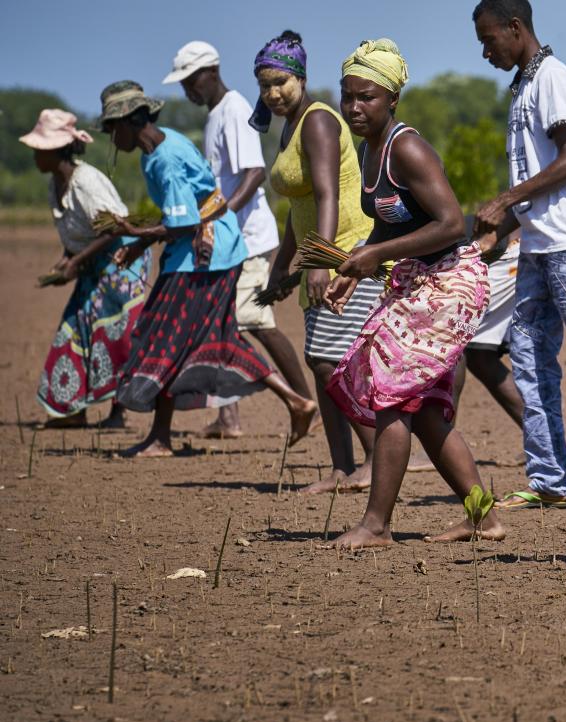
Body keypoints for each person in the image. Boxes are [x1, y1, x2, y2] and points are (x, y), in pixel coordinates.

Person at [324, 39, 501, 548]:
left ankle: (376, 525)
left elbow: (451, 224)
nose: (355, 107)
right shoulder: (368, 149)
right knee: (419, 408)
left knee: (392, 394)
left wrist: (376, 256)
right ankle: (483, 516)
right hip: (420, 278)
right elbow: (388, 226)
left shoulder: (406, 147)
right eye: (348, 96)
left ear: (392, 100)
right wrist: (357, 263)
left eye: (367, 97)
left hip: (450, 279)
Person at [99, 81, 317, 457]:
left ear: (131, 121)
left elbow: (183, 224)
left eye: (111, 127)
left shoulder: (163, 159)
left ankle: (295, 401)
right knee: (175, 339)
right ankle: (161, 437)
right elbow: (181, 214)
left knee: (183, 338)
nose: (110, 136)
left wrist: (133, 231)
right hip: (202, 255)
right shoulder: (161, 145)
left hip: (206, 259)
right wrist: (139, 244)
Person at [472, 0, 566, 509]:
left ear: (515, 27)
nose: (486, 51)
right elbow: (534, 186)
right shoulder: (524, 86)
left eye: (490, 39)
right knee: (529, 361)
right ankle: (549, 480)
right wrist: (501, 231)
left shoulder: (551, 78)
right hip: (535, 248)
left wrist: (504, 200)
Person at [164, 40, 314, 440]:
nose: (186, 90)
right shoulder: (215, 115)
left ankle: (304, 401)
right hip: (229, 240)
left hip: (249, 238)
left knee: (254, 321)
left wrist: (216, 216)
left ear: (210, 73)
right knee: (219, 325)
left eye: (190, 81)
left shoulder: (233, 110)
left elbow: (253, 174)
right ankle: (228, 418)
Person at [250, 31, 379, 493]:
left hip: (346, 252)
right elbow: (297, 209)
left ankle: (376, 460)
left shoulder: (319, 121)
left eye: (280, 82)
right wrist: (284, 266)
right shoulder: (289, 126)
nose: (272, 93)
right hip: (317, 255)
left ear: (300, 77)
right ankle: (342, 467)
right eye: (264, 85)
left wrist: (322, 261)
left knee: (332, 362)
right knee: (322, 363)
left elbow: (327, 196)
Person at [21, 109, 151, 429]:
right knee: (73, 330)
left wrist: (76, 263)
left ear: (55, 151)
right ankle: (72, 410)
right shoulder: (57, 185)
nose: (35, 156)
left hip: (121, 262)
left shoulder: (86, 182)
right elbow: (77, 233)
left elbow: (114, 229)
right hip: (94, 265)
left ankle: (118, 414)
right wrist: (67, 260)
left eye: (39, 150)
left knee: (115, 335)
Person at [406, 223, 526, 473]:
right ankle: (540, 439)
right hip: (500, 248)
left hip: (500, 251)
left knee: (456, 341)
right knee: (480, 355)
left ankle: (439, 442)